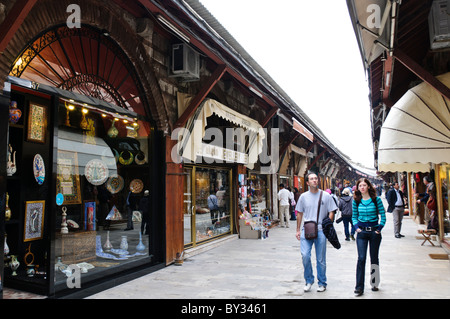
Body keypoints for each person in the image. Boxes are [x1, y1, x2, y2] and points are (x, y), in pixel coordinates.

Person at [295, 173, 337, 292]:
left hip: (321, 231)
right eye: (311, 179)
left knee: (321, 259)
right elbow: (299, 213)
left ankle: (322, 282)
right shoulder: (303, 197)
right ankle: (309, 280)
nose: (314, 180)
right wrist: (298, 230)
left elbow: (331, 211)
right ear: (307, 183)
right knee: (305, 256)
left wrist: (329, 223)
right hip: (307, 229)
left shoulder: (326, 196)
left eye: (315, 178)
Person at [352, 178, 386, 296]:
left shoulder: (376, 200)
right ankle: (359, 287)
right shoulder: (356, 201)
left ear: (368, 187)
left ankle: (375, 282)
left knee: (374, 258)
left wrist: (379, 228)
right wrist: (356, 228)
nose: (362, 187)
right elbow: (354, 216)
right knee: (361, 258)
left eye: (364, 185)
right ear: (358, 188)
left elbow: (383, 215)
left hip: (374, 233)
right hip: (361, 233)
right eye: (360, 185)